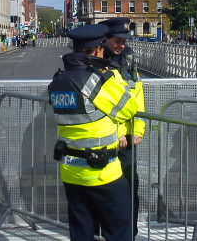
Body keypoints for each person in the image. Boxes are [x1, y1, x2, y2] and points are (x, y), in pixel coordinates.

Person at [48, 24, 139, 241]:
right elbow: (129, 108)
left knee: (81, 232)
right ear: (98, 50)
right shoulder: (97, 79)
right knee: (118, 233)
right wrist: (111, 75)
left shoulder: (57, 81)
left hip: (71, 171)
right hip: (103, 172)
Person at [99, 17, 145, 238]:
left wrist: (137, 131)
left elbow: (138, 98)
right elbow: (101, 106)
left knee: (129, 191)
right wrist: (117, 135)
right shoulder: (96, 62)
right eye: (117, 41)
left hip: (128, 140)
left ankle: (129, 234)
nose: (122, 45)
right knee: (105, 192)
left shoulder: (129, 61)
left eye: (124, 41)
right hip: (107, 139)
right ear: (104, 39)